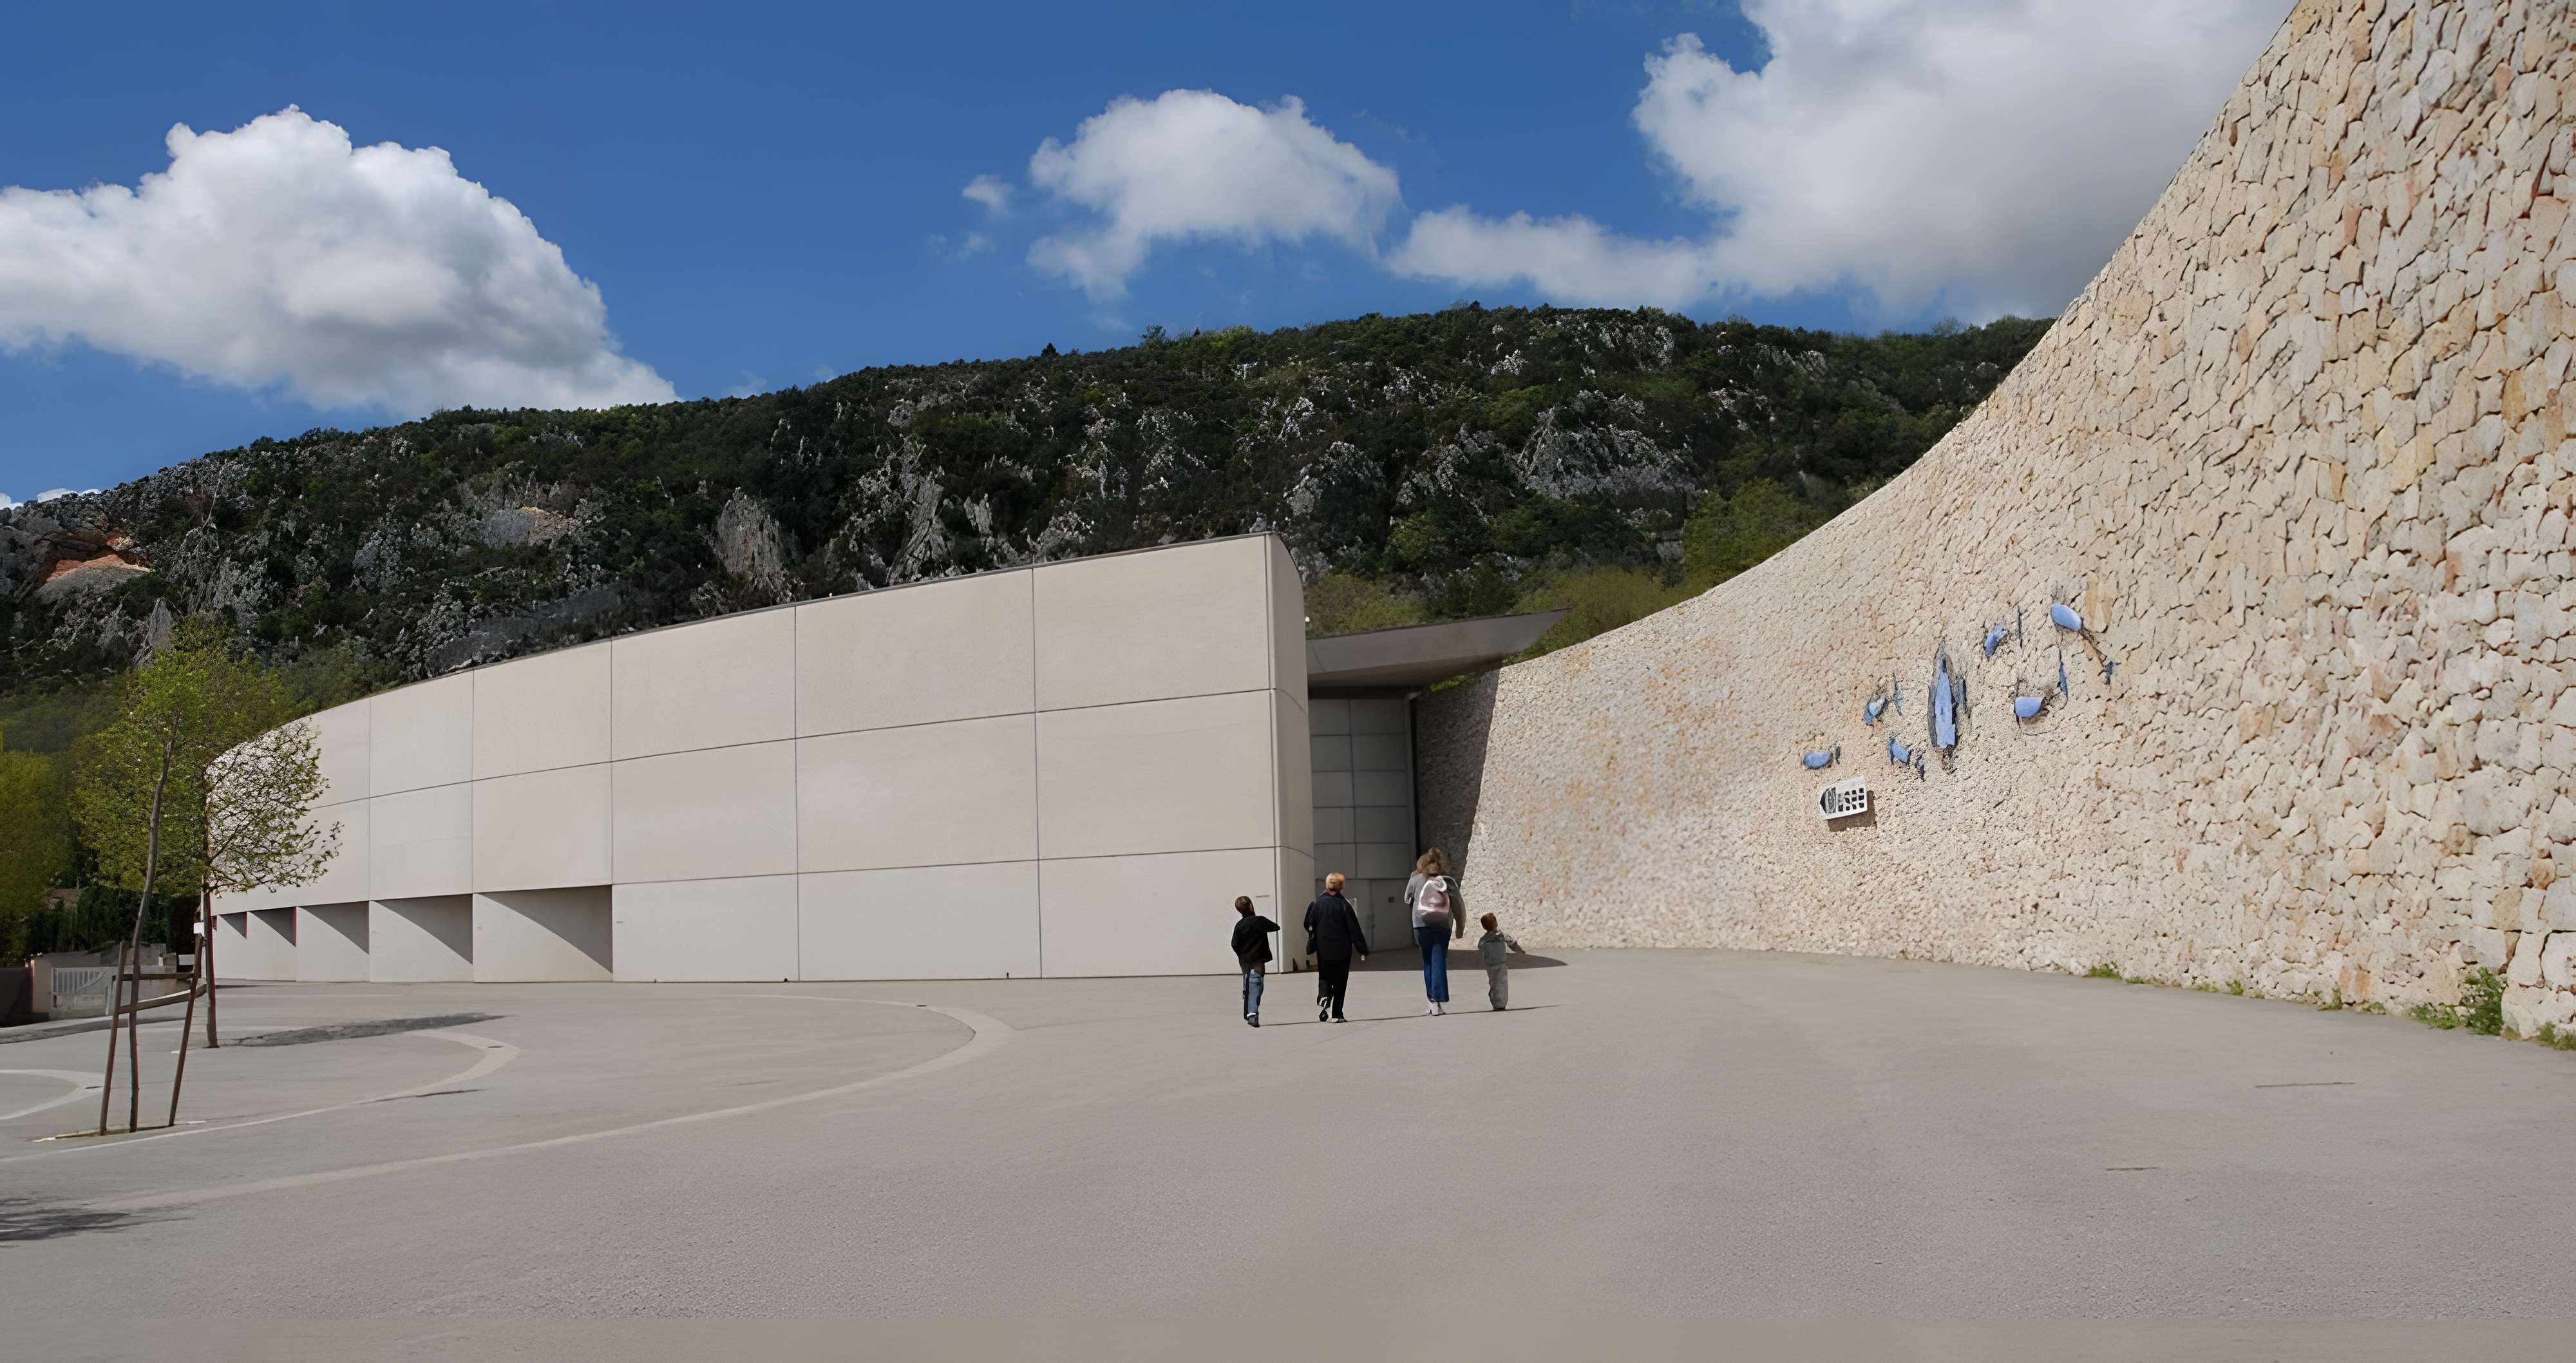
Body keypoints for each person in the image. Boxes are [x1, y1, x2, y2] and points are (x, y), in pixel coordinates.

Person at [1303, 872, 1370, 1023]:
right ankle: (1337, 1014)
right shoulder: (1344, 905)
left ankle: (1324, 996)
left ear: (1327, 885)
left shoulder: (1317, 903)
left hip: (1323, 948)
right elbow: (1354, 929)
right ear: (1342, 887)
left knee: (1325, 976)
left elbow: (1308, 923)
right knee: (1340, 981)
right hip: (1342, 951)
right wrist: (1362, 949)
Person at [1405, 849, 1464, 1016]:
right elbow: (1458, 906)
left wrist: (1414, 878)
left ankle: (1432, 1003)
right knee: (1439, 961)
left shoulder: (1416, 880)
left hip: (1421, 926)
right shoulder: (1447, 882)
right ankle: (1438, 1000)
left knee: (1427, 962)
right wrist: (1460, 927)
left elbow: (1407, 899)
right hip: (1442, 926)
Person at [1230, 896, 1278, 1027]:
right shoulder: (1260, 921)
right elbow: (1276, 927)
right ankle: (1252, 1014)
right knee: (1257, 985)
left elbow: (1234, 944)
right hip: (1258, 960)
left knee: (1249, 984)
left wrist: (1242, 954)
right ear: (1251, 906)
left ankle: (1248, 1012)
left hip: (1245, 960)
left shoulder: (1239, 926)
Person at [1476, 912, 1526, 1011]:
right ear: (1495, 923)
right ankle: (1500, 1003)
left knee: (1494, 983)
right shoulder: (1502, 935)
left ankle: (1498, 1003)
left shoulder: (1485, 939)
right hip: (1500, 964)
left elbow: (1480, 947)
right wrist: (1521, 951)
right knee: (1501, 983)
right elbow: (1513, 944)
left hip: (1491, 965)